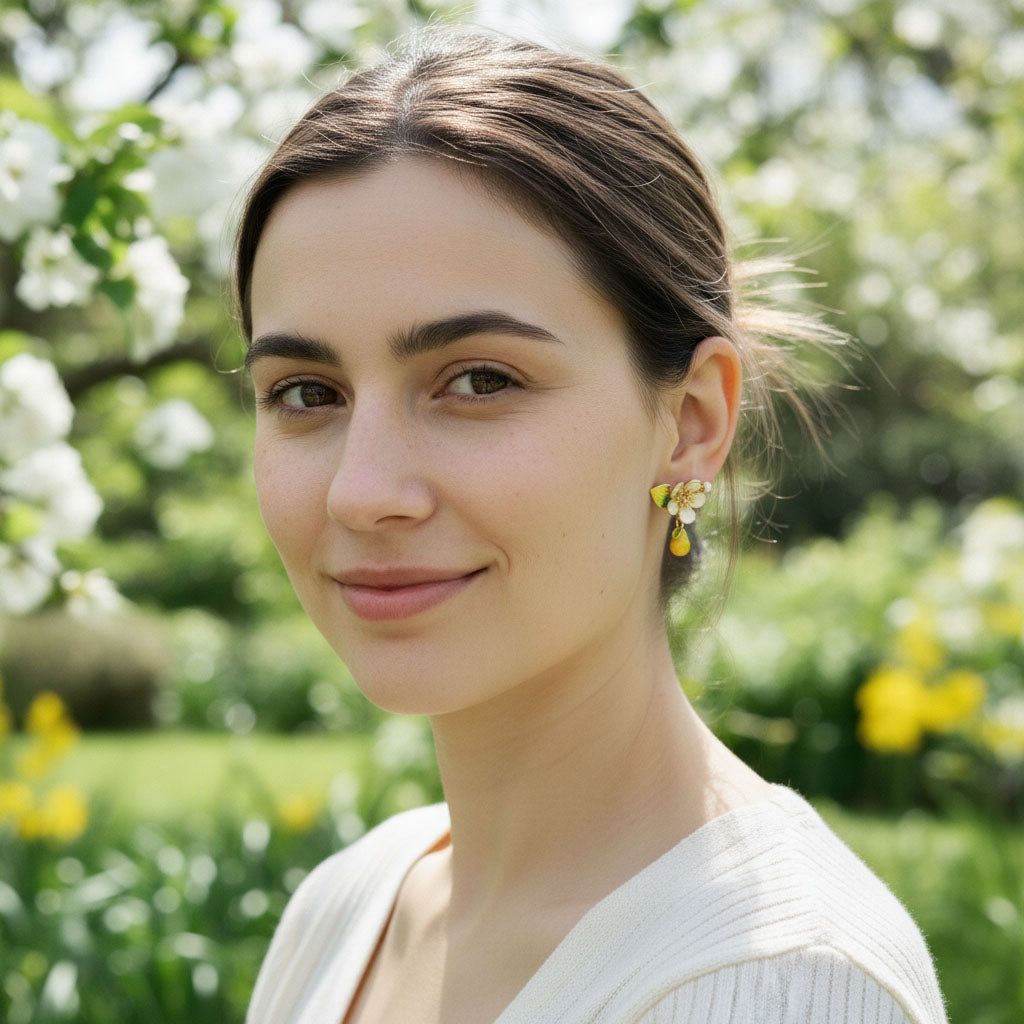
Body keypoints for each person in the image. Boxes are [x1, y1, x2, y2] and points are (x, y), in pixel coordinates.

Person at [232, 28, 947, 1024]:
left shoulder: (776, 984)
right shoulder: (349, 906)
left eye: (480, 380)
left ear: (691, 422)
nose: (362, 491)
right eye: (307, 392)